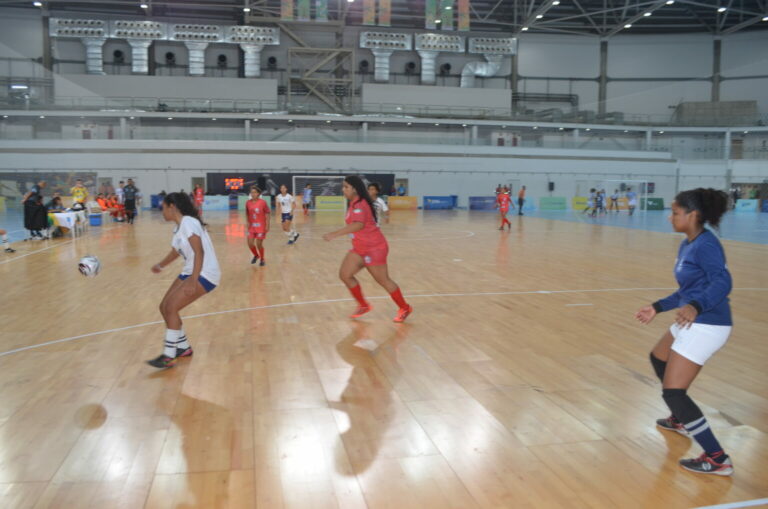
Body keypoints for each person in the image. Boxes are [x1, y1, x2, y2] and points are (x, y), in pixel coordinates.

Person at [635, 188, 733, 476]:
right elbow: (685, 291)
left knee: (674, 392)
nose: (670, 217)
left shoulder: (706, 245)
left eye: (675, 212)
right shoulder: (687, 244)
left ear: (693, 215)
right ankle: (681, 418)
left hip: (708, 323)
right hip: (692, 318)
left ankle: (717, 457)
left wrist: (696, 306)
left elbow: (722, 281)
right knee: (658, 358)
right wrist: (657, 307)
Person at [322, 175, 413, 323]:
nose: (343, 189)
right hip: (360, 248)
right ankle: (363, 305)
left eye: (346, 187)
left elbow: (358, 224)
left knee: (383, 280)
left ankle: (405, 307)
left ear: (354, 189)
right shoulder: (354, 203)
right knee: (345, 274)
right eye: (343, 186)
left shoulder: (361, 204)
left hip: (374, 248)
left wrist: (335, 234)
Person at [148, 192, 221, 368]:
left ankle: (169, 355)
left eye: (163, 208)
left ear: (172, 207)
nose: (162, 212)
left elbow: (199, 252)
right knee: (164, 307)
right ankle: (183, 347)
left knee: (171, 307)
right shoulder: (179, 228)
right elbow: (176, 252)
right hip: (191, 271)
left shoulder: (188, 222)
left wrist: (193, 280)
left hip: (205, 273)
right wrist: (160, 265)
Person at [245, 185, 270, 266]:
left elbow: (267, 213)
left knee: (259, 244)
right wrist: (247, 222)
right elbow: (247, 213)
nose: (253, 194)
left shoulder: (263, 202)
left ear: (258, 193)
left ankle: (262, 259)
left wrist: (267, 225)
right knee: (250, 243)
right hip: (252, 227)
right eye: (252, 192)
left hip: (261, 227)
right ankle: (256, 255)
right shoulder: (248, 203)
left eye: (255, 192)